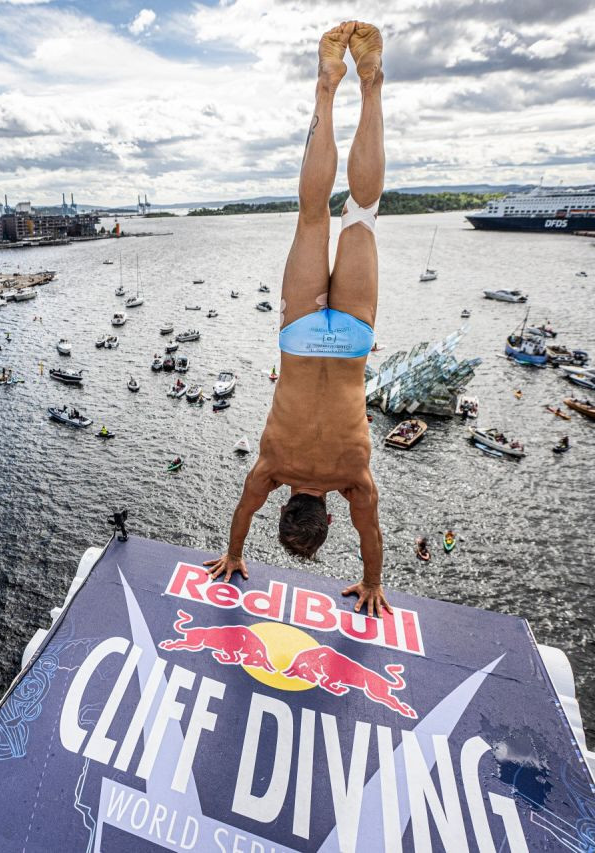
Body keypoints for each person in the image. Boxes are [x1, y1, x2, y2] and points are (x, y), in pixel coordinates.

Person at [205, 22, 390, 617]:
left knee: (361, 213)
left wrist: (373, 584)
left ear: (328, 512)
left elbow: (372, 540)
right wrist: (233, 555)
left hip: (352, 342)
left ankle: (372, 84)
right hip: (301, 338)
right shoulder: (271, 469)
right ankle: (327, 85)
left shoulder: (354, 481)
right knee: (314, 215)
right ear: (283, 505)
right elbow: (240, 515)